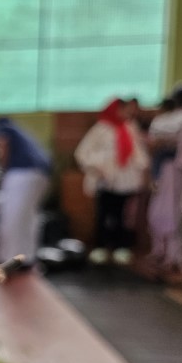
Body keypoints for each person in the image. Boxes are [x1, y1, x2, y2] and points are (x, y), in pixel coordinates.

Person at [74, 98, 150, 265]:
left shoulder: (129, 127)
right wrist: (97, 166)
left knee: (123, 215)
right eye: (122, 109)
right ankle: (101, 246)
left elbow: (138, 152)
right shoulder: (101, 128)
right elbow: (83, 152)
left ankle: (121, 246)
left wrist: (143, 170)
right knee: (104, 214)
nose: (125, 113)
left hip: (126, 180)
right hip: (105, 180)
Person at [147, 88, 182, 279]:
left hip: (165, 172)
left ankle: (164, 252)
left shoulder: (163, 121)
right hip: (180, 172)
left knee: (164, 211)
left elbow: (153, 143)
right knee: (176, 212)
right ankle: (171, 255)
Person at [0, 117, 52, 267]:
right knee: (28, 218)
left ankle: (7, 258)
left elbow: (3, 145)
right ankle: (26, 257)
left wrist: (2, 170)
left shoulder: (5, 130)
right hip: (41, 175)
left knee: (11, 218)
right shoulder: (21, 134)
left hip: (22, 175)